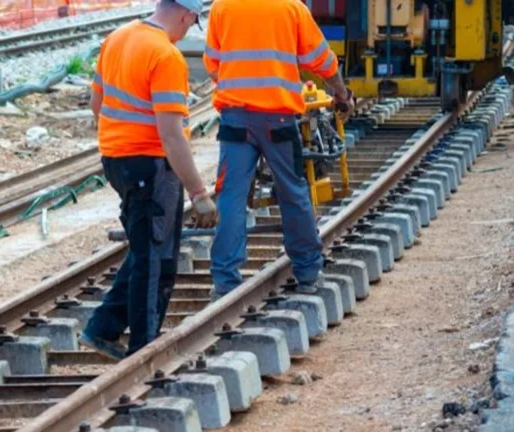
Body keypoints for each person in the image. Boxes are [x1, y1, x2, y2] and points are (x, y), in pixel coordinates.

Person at [77, 0, 218, 360]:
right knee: (155, 259)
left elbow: (98, 104)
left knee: (147, 250)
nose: (189, 30)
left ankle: (103, 328)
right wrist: (199, 191)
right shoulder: (166, 56)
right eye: (192, 23)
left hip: (116, 161)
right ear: (187, 15)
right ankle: (144, 351)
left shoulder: (118, 37)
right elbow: (172, 135)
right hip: (150, 166)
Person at [204, 0, 355, 301]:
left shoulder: (223, 7)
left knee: (231, 195)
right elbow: (322, 60)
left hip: (236, 118)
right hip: (279, 119)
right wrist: (341, 92)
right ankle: (308, 272)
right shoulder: (291, 7)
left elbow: (213, 65)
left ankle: (225, 282)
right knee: (292, 190)